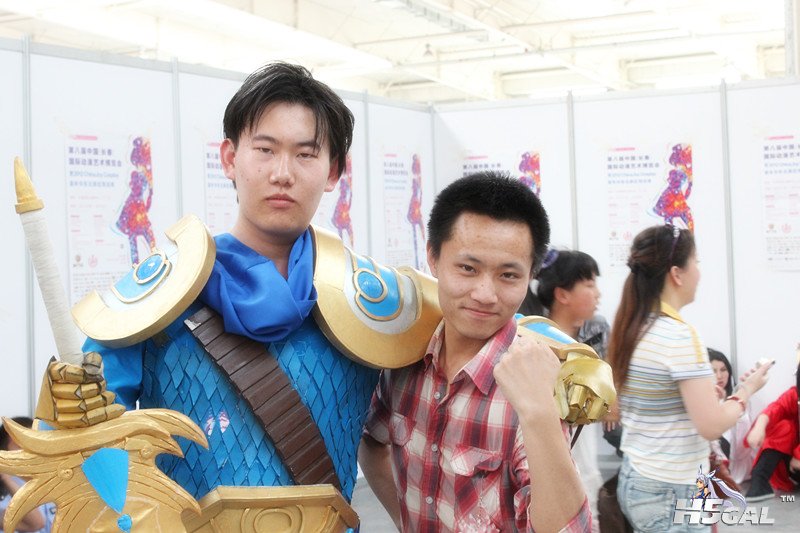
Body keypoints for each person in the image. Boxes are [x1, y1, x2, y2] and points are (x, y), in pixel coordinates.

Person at [37, 62, 436, 507]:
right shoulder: (159, 297)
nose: (282, 173)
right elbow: (73, 445)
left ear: (333, 172)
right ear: (229, 158)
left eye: (305, 154)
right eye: (264, 149)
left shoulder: (376, 304)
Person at [359, 171, 591, 532]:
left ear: (530, 274)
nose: (485, 294)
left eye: (508, 275)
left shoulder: (533, 383)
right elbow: (372, 442)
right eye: (468, 268)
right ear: (433, 257)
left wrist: (539, 412)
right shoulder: (405, 354)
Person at [608, 224, 771, 532]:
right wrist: (746, 392)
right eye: (696, 261)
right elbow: (711, 426)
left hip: (639, 476)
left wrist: (704, 397)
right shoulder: (679, 336)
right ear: (677, 274)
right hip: (672, 487)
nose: (699, 271)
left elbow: (654, 401)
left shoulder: (633, 326)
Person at [535, 249, 607, 532]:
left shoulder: (595, 334)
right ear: (562, 294)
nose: (598, 293)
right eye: (589, 285)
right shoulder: (535, 341)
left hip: (586, 465)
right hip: (550, 469)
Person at [744, 361, 800, 501]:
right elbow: (777, 408)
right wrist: (760, 424)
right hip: (795, 466)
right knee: (785, 427)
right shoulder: (794, 394)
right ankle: (760, 478)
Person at [708, 348, 754, 485]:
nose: (719, 376)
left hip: (738, 465)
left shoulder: (739, 400)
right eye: (713, 371)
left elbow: (744, 442)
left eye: (723, 370)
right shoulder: (701, 403)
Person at [0, 418, 52, 533]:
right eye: (21, 445)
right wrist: (5, 477)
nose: (31, 452)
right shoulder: (6, 486)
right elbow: (37, 523)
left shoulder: (48, 483)